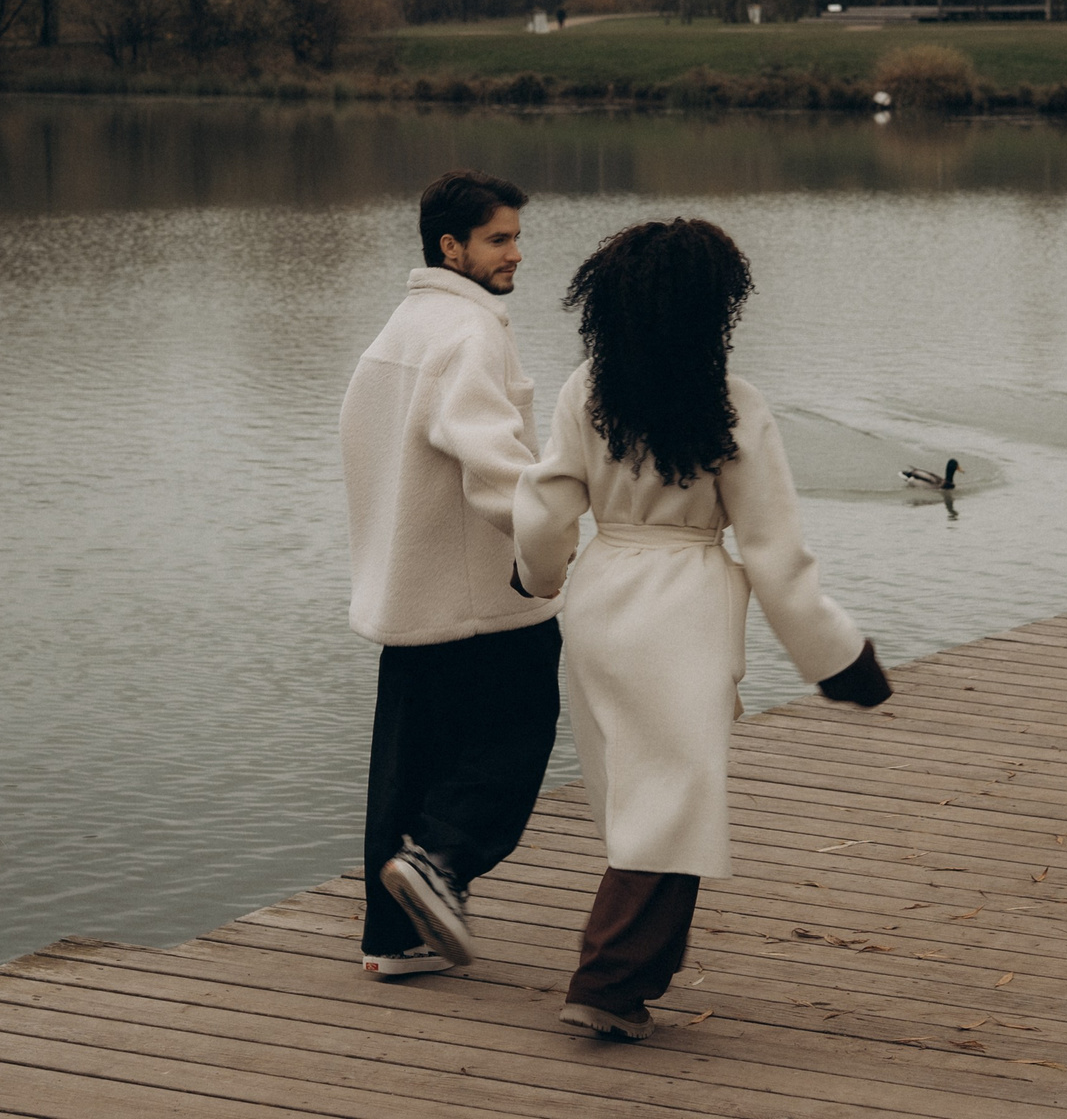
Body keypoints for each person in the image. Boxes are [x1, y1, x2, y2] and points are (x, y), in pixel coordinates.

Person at [512, 218, 891, 1040]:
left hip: (599, 593)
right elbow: (773, 553)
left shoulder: (587, 389)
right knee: (674, 797)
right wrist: (837, 656)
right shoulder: (732, 407)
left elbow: (545, 505)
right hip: (680, 606)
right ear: (714, 308)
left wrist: (536, 577)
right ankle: (607, 981)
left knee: (638, 792)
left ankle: (635, 977)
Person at [337, 168, 562, 977]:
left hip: (409, 587)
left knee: (409, 760)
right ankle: (442, 862)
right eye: (500, 239)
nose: (516, 255)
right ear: (451, 246)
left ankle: (391, 941)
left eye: (515, 237)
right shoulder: (472, 334)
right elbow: (493, 459)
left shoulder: (401, 326)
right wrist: (552, 544)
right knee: (521, 731)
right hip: (485, 593)